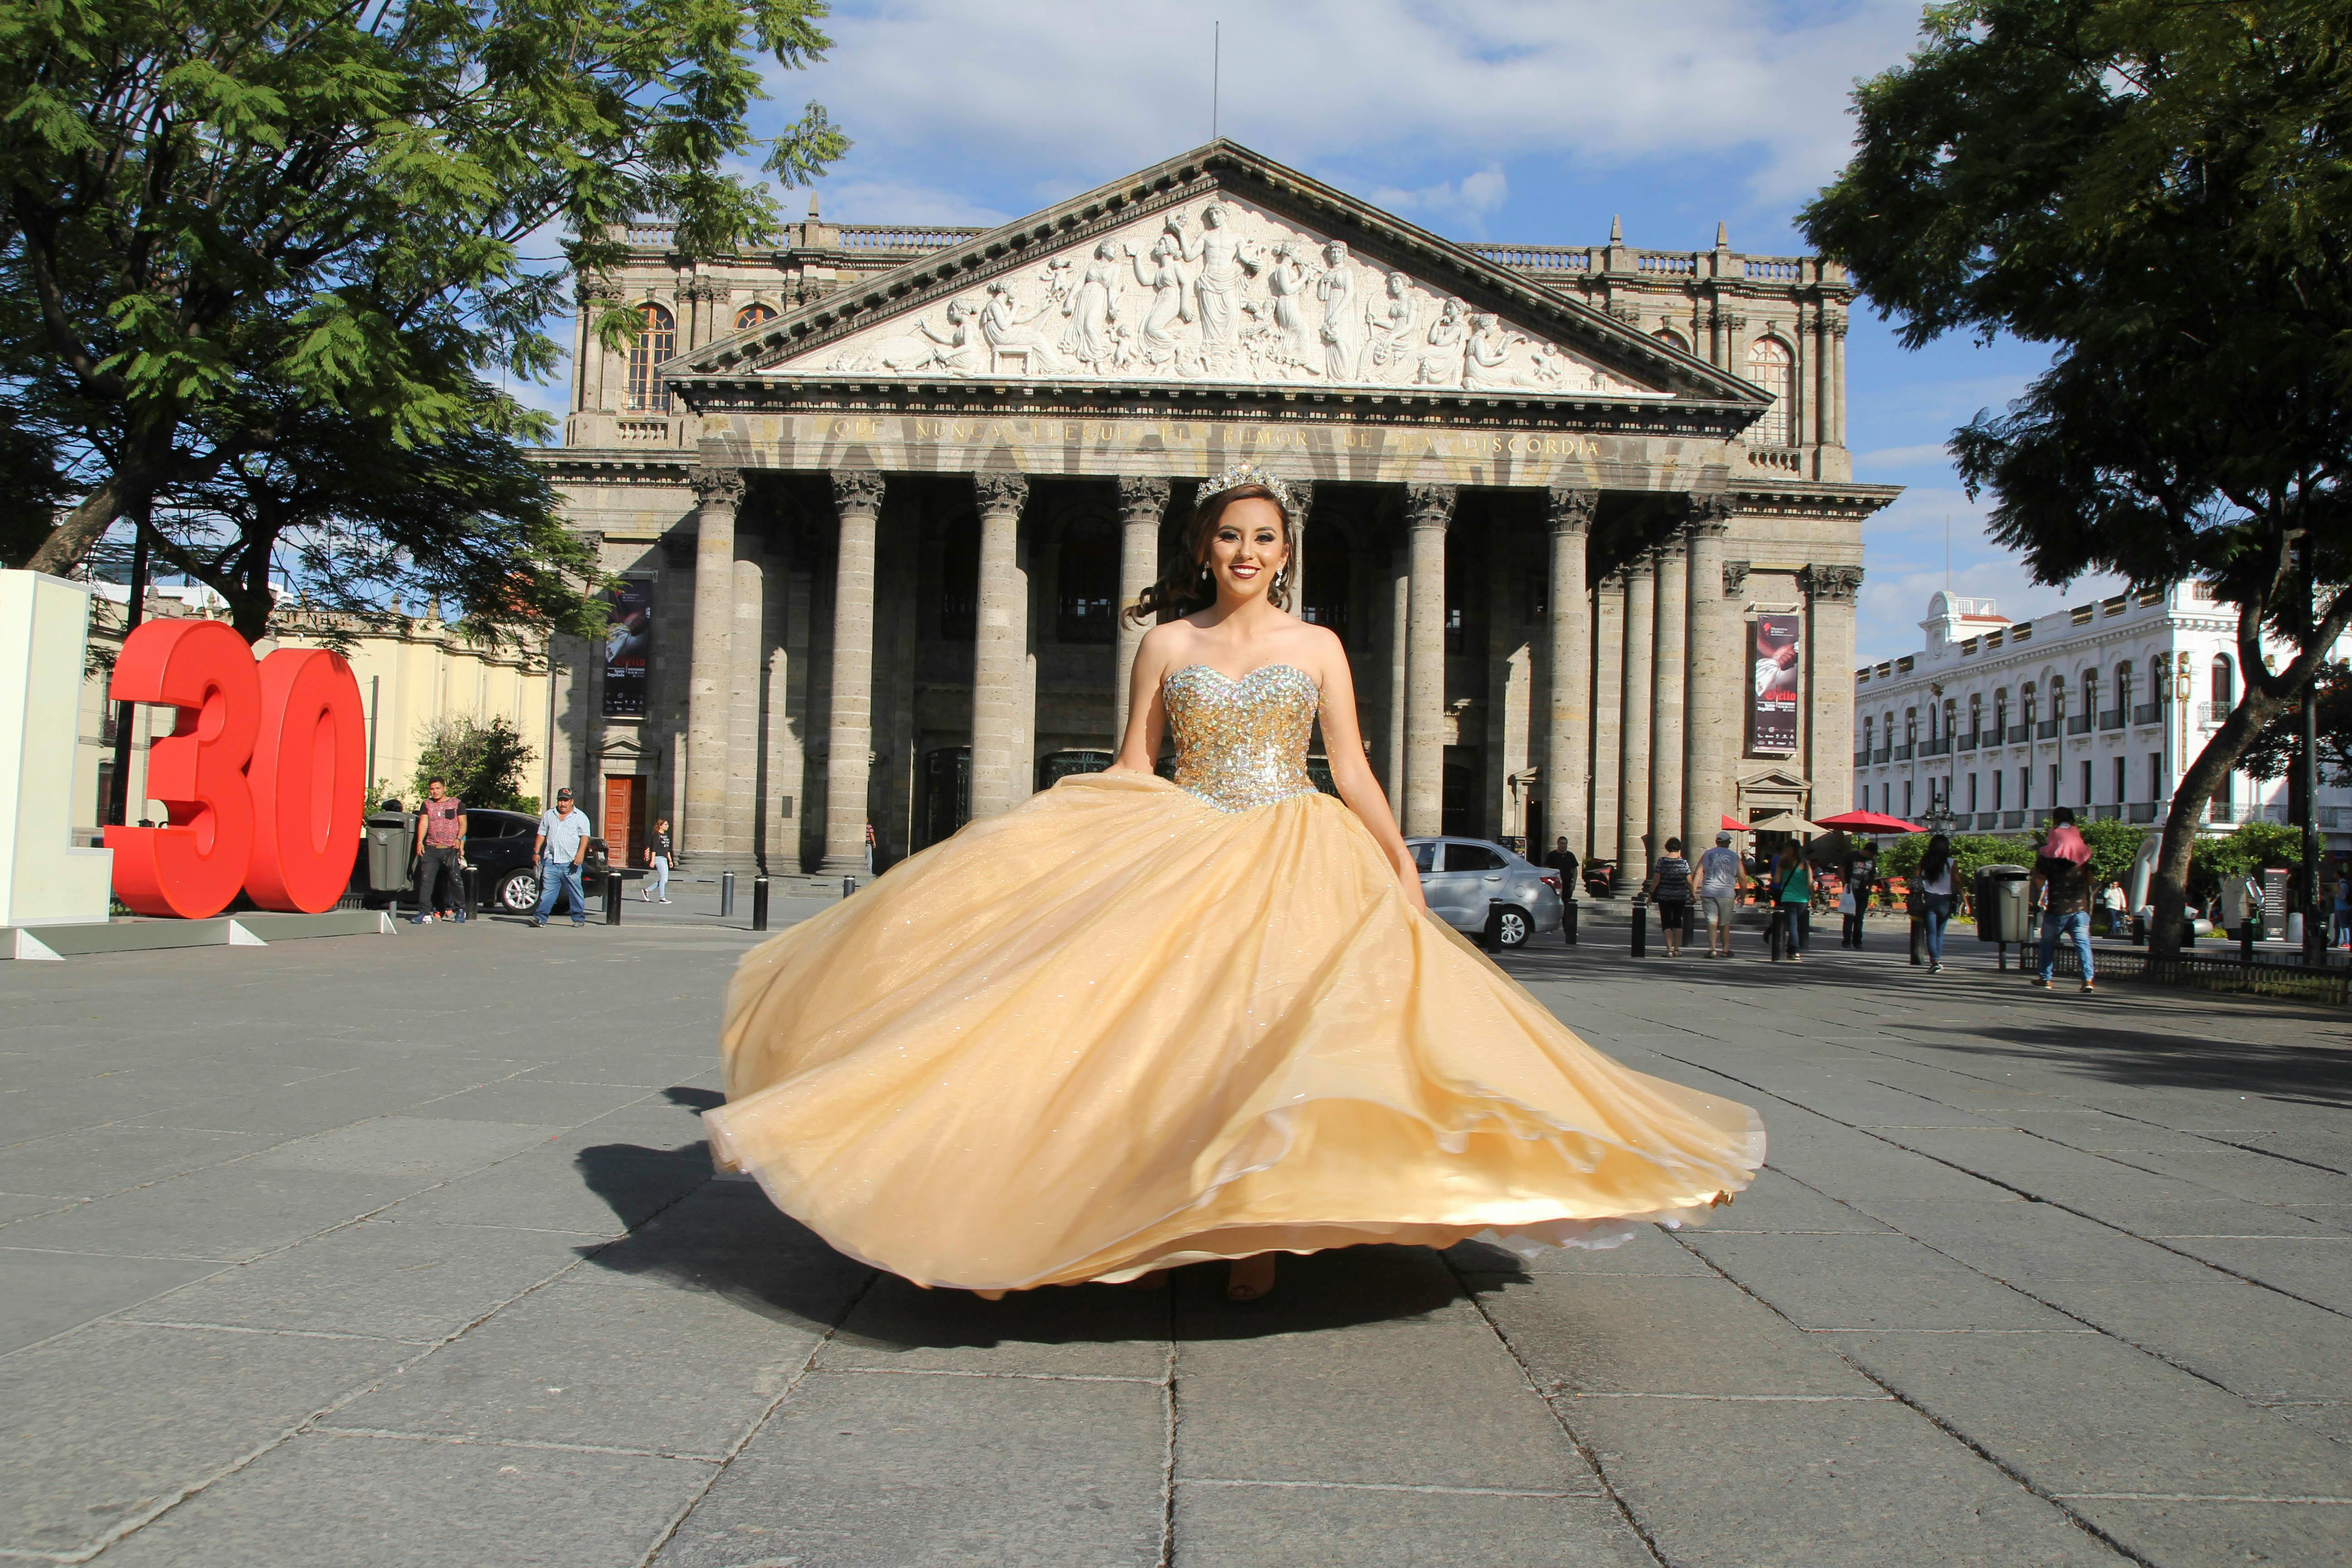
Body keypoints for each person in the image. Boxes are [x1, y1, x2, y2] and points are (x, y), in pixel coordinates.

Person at [704, 463, 1763, 1305]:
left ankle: (1252, 1227)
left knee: (1284, 1037)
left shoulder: (1317, 643)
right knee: (1169, 1035)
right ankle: (1161, 1206)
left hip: (1294, 843)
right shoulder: (1165, 639)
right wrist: (1049, 828)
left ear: (1285, 550)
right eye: (1228, 534)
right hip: (1185, 835)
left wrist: (1396, 853)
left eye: (1263, 536)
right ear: (1202, 547)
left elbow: (1346, 762)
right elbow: (1133, 760)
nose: (1246, 551)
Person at [2030, 808, 2096, 992]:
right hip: (2081, 908)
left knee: (2047, 944)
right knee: (2083, 945)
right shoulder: (2083, 857)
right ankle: (2088, 980)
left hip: (2057, 909)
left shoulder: (2047, 858)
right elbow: (2091, 880)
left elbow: (2038, 883)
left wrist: (2037, 874)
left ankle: (2046, 979)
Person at [531, 788, 592, 928]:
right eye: (560, 800)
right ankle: (540, 918)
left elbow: (585, 836)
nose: (563, 804)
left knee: (575, 890)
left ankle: (578, 918)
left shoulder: (580, 817)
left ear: (572, 801)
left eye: (566, 801)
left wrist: (581, 853)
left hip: (571, 862)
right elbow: (542, 833)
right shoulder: (549, 815)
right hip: (552, 860)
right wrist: (536, 852)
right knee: (548, 891)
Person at [411, 778, 467, 924]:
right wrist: (420, 842)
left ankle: (460, 910)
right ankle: (424, 912)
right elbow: (424, 822)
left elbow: (463, 824)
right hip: (431, 848)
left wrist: (459, 838)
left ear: (444, 788)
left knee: (455, 880)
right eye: (432, 789)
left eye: (437, 788)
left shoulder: (457, 804)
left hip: (450, 848)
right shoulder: (427, 804)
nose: (435, 792)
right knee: (426, 881)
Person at [1695, 831, 1748, 958]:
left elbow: (1698, 873)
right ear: (1728, 842)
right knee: (1725, 922)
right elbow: (1742, 877)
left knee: (1711, 921)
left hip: (1708, 891)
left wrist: (1693, 891)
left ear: (1717, 842)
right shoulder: (1734, 856)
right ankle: (1725, 949)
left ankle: (1712, 949)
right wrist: (1743, 894)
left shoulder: (1707, 854)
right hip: (1726, 893)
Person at [1643, 837, 1693, 957]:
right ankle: (1677, 949)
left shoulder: (1662, 861)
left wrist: (1650, 894)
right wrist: (1693, 894)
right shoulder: (1683, 862)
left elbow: (1656, 879)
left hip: (1664, 896)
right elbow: (1689, 880)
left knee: (1666, 922)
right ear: (1679, 848)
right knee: (1678, 921)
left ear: (1667, 847)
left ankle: (1669, 949)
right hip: (1680, 895)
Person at [1917, 833, 1957, 974]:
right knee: (1940, 933)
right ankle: (1937, 960)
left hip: (1929, 898)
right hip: (1946, 899)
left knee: (1931, 933)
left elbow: (1917, 878)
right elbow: (1957, 881)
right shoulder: (1951, 862)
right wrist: (1964, 899)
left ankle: (1935, 961)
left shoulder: (1925, 862)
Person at [1770, 843, 1814, 961]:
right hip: (1803, 899)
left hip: (1788, 898)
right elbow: (1810, 883)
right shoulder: (1805, 864)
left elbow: (1777, 880)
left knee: (1792, 925)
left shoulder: (1783, 863)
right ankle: (1791, 950)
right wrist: (1814, 899)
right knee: (1796, 925)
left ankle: (1795, 950)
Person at [643, 818, 674, 903]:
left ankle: (647, 890)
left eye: (668, 825)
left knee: (665, 880)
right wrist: (652, 861)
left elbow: (667, 849)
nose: (668, 826)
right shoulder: (657, 835)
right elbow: (654, 849)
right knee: (663, 878)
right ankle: (662, 897)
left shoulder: (666, 836)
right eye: (666, 825)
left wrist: (670, 860)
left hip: (664, 858)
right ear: (660, 826)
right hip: (658, 858)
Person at [1543, 835, 1580, 903]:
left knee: (1567, 903)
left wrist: (1574, 883)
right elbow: (1547, 869)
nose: (1563, 845)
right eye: (1561, 843)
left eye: (1565, 843)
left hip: (1567, 884)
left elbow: (1575, 869)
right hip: (1556, 884)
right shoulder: (1552, 855)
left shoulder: (1570, 855)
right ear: (1558, 844)